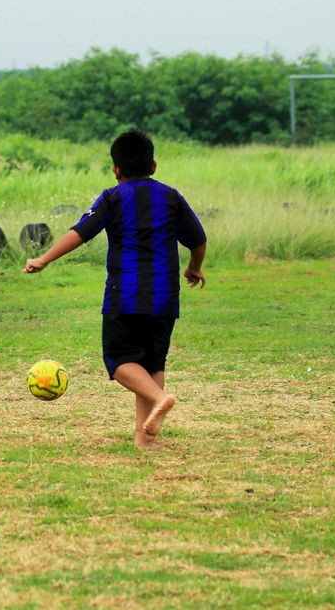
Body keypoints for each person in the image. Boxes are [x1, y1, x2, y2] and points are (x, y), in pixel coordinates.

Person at [24, 130, 207, 450]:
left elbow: (80, 232)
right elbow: (197, 238)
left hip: (125, 295)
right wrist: (194, 267)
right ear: (153, 165)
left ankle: (160, 399)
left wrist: (44, 258)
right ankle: (145, 438)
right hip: (164, 297)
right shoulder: (171, 196)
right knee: (153, 364)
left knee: (119, 361)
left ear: (116, 169)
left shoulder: (113, 197)